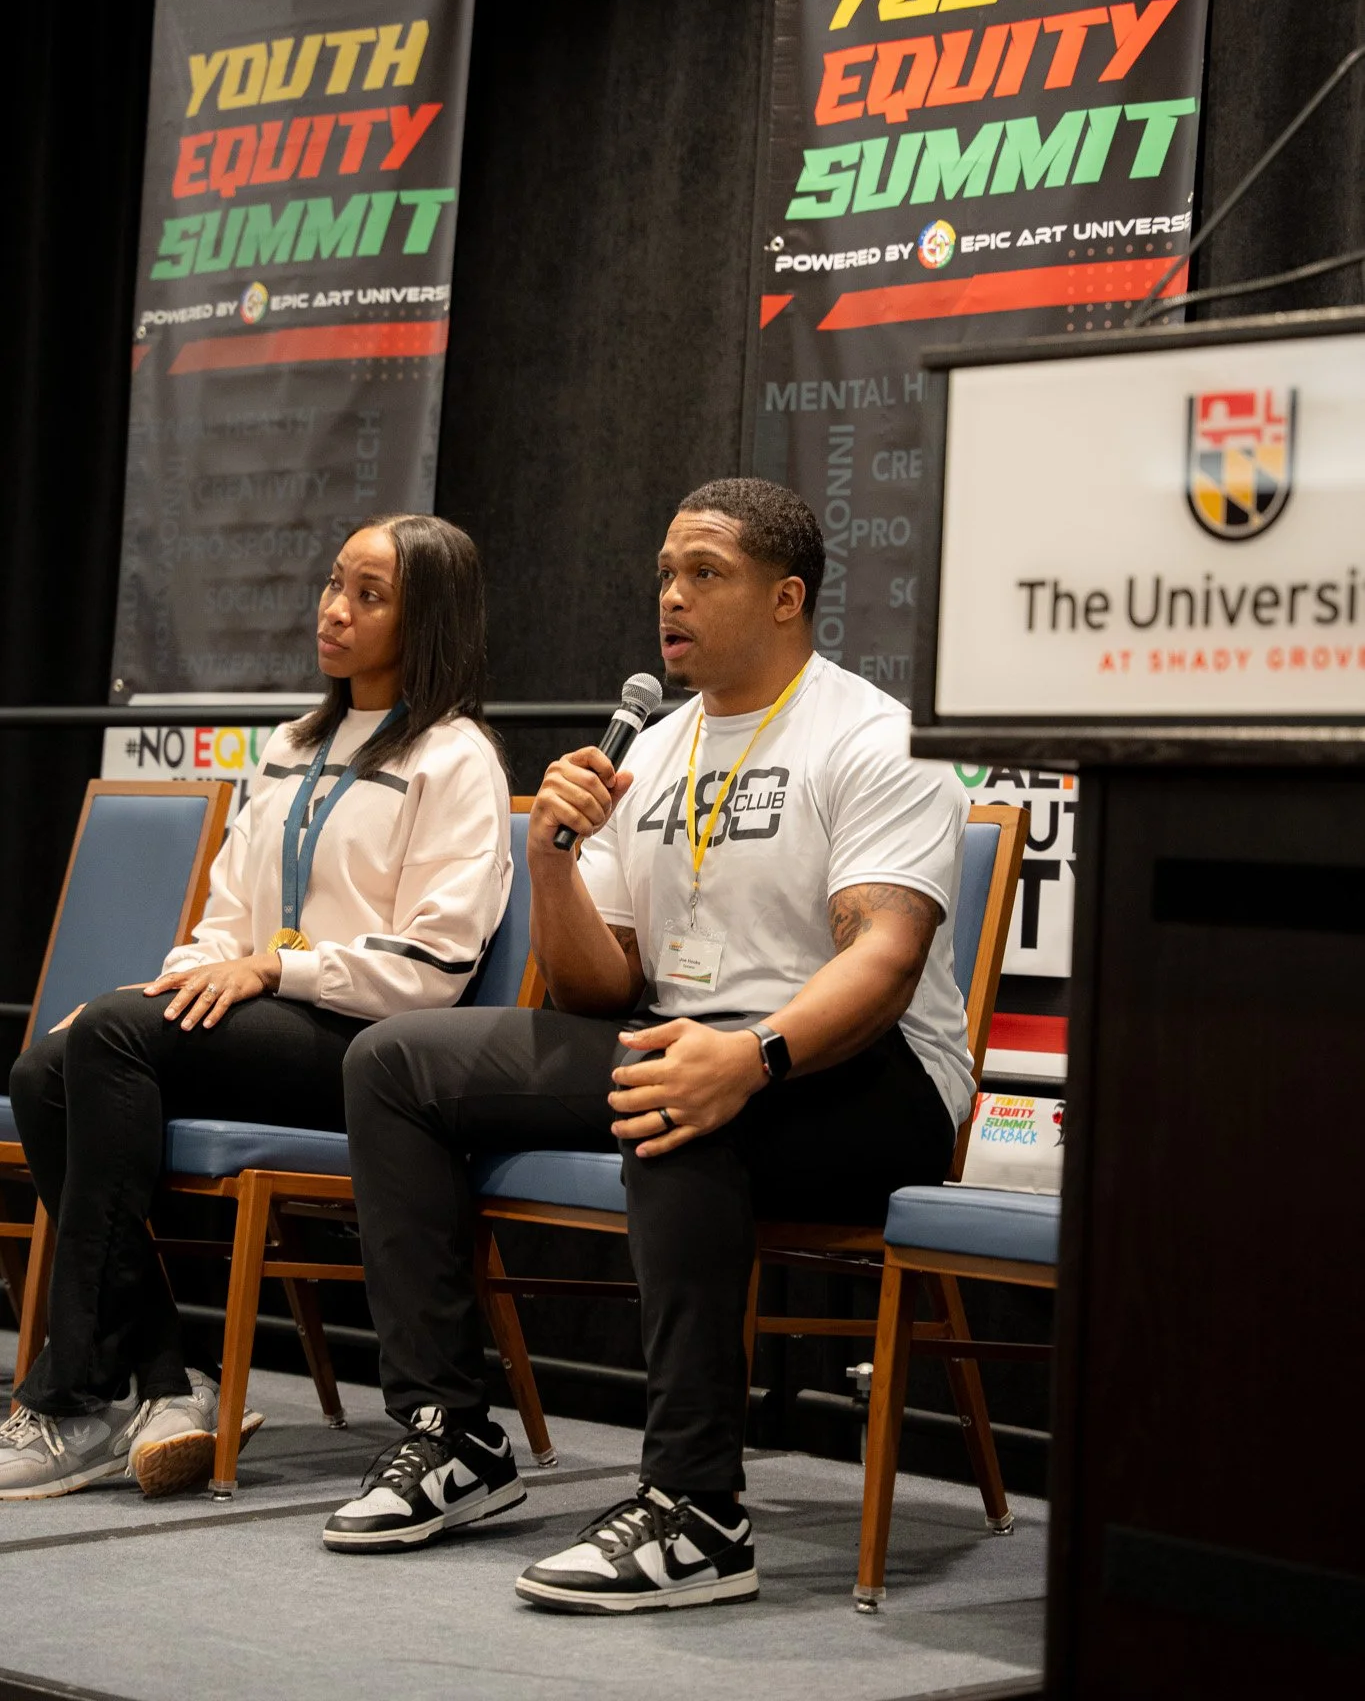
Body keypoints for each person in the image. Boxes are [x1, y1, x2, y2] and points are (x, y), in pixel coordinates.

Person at [325, 477, 971, 1613]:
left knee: (671, 1090)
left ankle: (699, 1508)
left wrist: (755, 1055)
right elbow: (597, 983)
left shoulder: (872, 734)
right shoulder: (655, 748)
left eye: (704, 574)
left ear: (787, 598)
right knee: (397, 1064)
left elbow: (885, 958)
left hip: (869, 1076)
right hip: (675, 1042)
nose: (671, 596)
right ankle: (452, 1433)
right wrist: (555, 859)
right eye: (665, 573)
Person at [0, 514, 511, 1502]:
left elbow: (436, 960)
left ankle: (75, 1391)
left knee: (106, 1038)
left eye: (369, 594)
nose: (333, 608)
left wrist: (283, 971)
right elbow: (227, 916)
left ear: (428, 617)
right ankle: (160, 1379)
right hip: (272, 1017)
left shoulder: (458, 757)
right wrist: (159, 985)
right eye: (333, 582)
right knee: (42, 1066)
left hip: (370, 1049)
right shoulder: (294, 742)